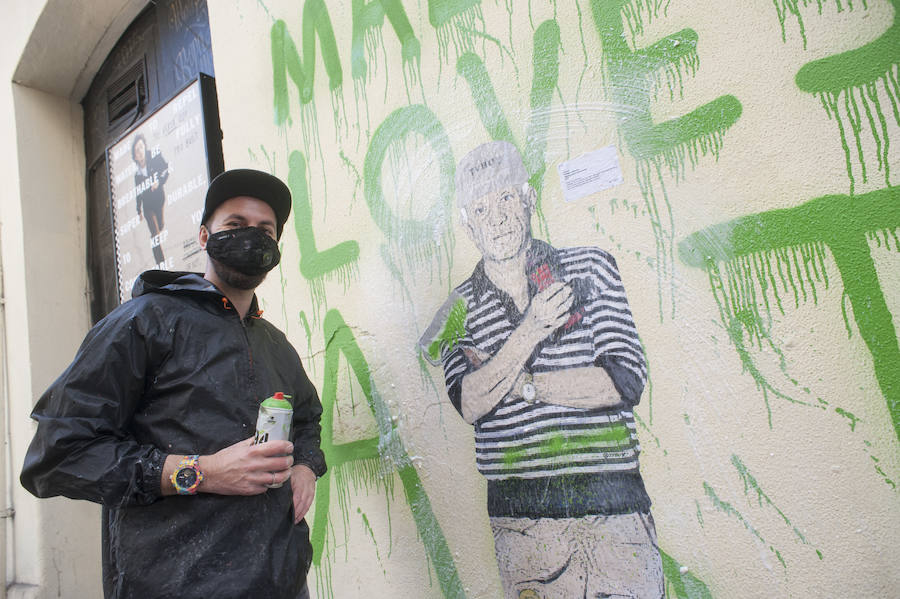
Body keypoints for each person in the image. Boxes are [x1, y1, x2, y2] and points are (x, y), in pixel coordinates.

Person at [21, 169, 325, 599]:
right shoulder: (143, 323)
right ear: (204, 237)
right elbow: (59, 455)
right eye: (234, 225)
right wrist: (201, 472)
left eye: (265, 230)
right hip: (170, 584)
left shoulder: (275, 345)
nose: (250, 237)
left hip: (282, 581)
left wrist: (305, 466)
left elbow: (308, 418)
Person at [420, 141, 664, 598]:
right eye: (481, 207)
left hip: (614, 508)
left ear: (529, 199)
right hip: (522, 525)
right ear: (465, 222)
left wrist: (521, 385)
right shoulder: (457, 309)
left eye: (507, 198)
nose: (497, 218)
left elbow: (623, 378)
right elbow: (470, 402)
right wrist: (530, 330)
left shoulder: (588, 267)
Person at [132, 133, 169, 266]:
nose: (140, 152)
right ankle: (162, 264)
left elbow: (166, 170)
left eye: (141, 147)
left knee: (160, 226)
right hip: (148, 207)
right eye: (137, 150)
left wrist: (158, 182)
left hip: (159, 200)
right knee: (155, 234)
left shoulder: (154, 160)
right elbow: (138, 194)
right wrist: (139, 211)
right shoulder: (137, 175)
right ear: (135, 156)